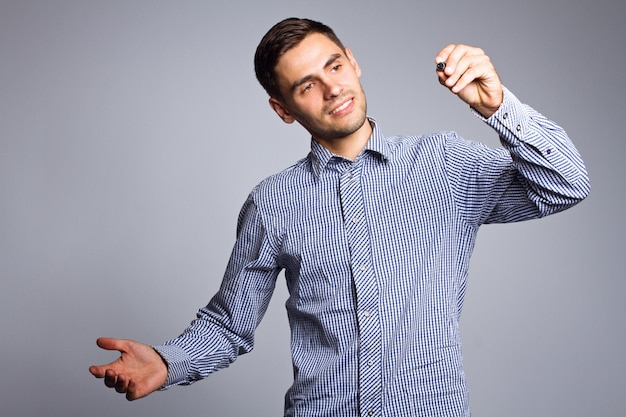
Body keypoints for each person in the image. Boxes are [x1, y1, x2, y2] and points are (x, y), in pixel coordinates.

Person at [89, 17, 589, 416]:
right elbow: (229, 325)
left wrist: (497, 106)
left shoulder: (445, 165)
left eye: (334, 65)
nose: (331, 89)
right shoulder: (271, 203)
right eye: (306, 85)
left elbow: (566, 183)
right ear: (282, 109)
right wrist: (167, 362)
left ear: (353, 61)